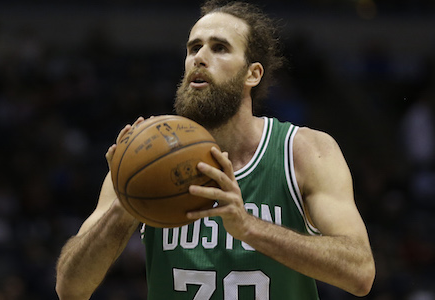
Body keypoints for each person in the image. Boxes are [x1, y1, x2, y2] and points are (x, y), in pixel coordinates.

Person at [55, 1, 376, 299]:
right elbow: (70, 288)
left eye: (219, 48)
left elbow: (360, 273)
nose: (199, 57)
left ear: (253, 73)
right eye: (194, 47)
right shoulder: (141, 156)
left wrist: (251, 228)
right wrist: (125, 206)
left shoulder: (305, 151)